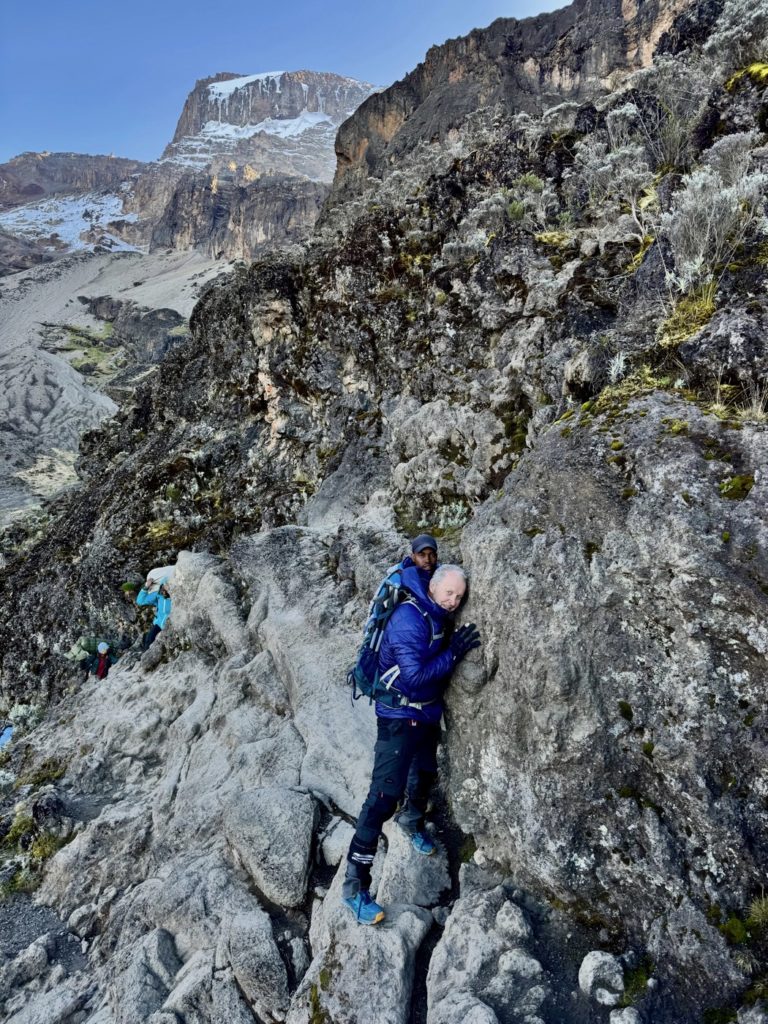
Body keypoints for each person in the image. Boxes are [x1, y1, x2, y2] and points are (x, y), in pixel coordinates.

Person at [342, 563, 480, 925]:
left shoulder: (436, 616)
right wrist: (452, 654)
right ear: (433, 588)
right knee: (382, 797)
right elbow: (416, 678)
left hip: (425, 715)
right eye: (449, 593)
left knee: (425, 771)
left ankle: (412, 820)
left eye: (459, 597)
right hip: (398, 717)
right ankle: (354, 887)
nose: (453, 601)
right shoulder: (408, 619)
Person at [136, 577, 172, 650]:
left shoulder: (177, 596)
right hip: (158, 626)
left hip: (170, 627)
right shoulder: (158, 595)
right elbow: (140, 601)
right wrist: (146, 587)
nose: (166, 587)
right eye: (165, 585)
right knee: (148, 643)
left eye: (168, 585)